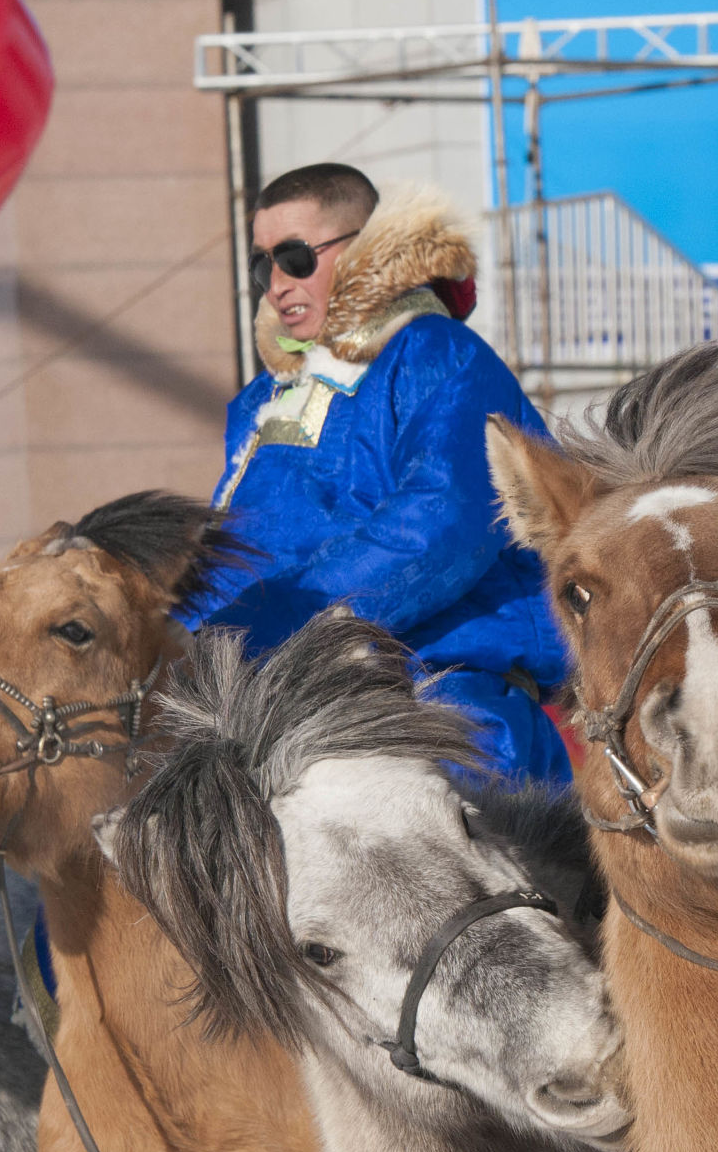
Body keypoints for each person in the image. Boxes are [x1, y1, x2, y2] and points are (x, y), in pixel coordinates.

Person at [184, 162, 570, 781]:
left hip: (438, 696)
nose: (277, 283)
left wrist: (284, 619)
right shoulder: (265, 401)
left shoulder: (439, 356)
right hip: (281, 694)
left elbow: (442, 523)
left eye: (296, 257)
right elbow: (236, 552)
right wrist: (172, 637)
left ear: (364, 246)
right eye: (263, 265)